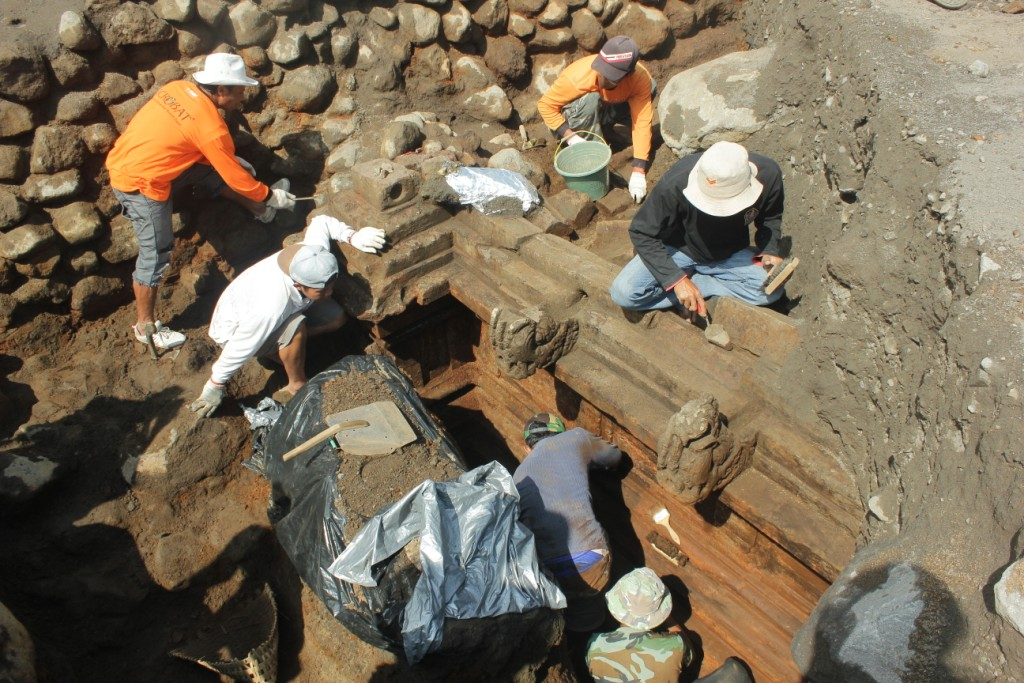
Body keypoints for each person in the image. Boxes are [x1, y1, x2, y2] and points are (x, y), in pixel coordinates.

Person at [106, 52, 298, 351]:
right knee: (156, 254)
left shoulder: (176, 89)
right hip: (142, 184)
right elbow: (234, 175)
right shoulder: (210, 127)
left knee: (215, 172)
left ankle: (260, 211)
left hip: (134, 159)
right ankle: (146, 328)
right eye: (238, 92)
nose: (241, 99)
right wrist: (271, 194)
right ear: (220, 91)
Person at [188, 216, 386, 418]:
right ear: (298, 285)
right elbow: (240, 346)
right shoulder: (270, 307)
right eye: (321, 290)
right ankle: (296, 383)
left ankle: (286, 349)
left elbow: (322, 222)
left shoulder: (312, 254)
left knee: (337, 318)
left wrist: (353, 237)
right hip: (234, 330)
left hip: (278, 310)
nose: (329, 293)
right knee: (296, 328)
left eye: (330, 286)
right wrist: (215, 384)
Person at [609, 141, 798, 320]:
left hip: (728, 254)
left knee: (771, 292)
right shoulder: (676, 181)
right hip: (677, 250)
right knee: (624, 293)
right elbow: (641, 231)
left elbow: (771, 219)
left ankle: (698, 287)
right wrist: (676, 280)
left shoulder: (768, 175)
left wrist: (770, 251)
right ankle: (685, 286)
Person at [512, 413, 622, 632]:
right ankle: (598, 635)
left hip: (547, 569)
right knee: (591, 612)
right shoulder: (575, 438)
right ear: (560, 432)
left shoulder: (517, 478)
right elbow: (614, 457)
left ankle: (576, 635)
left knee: (570, 612)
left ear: (527, 448)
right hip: (591, 555)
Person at [537, 35, 656, 203]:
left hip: (603, 110)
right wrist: (571, 137)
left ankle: (604, 130)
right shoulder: (577, 77)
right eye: (602, 71)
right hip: (570, 120)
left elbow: (642, 122)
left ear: (627, 75)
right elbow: (545, 106)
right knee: (590, 99)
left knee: (652, 87)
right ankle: (590, 158)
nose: (602, 78)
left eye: (610, 76)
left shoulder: (638, 79)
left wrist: (639, 170)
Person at [587, 568, 753, 683]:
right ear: (659, 612)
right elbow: (689, 655)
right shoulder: (673, 647)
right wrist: (668, 618)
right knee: (734, 673)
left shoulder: (595, 645)